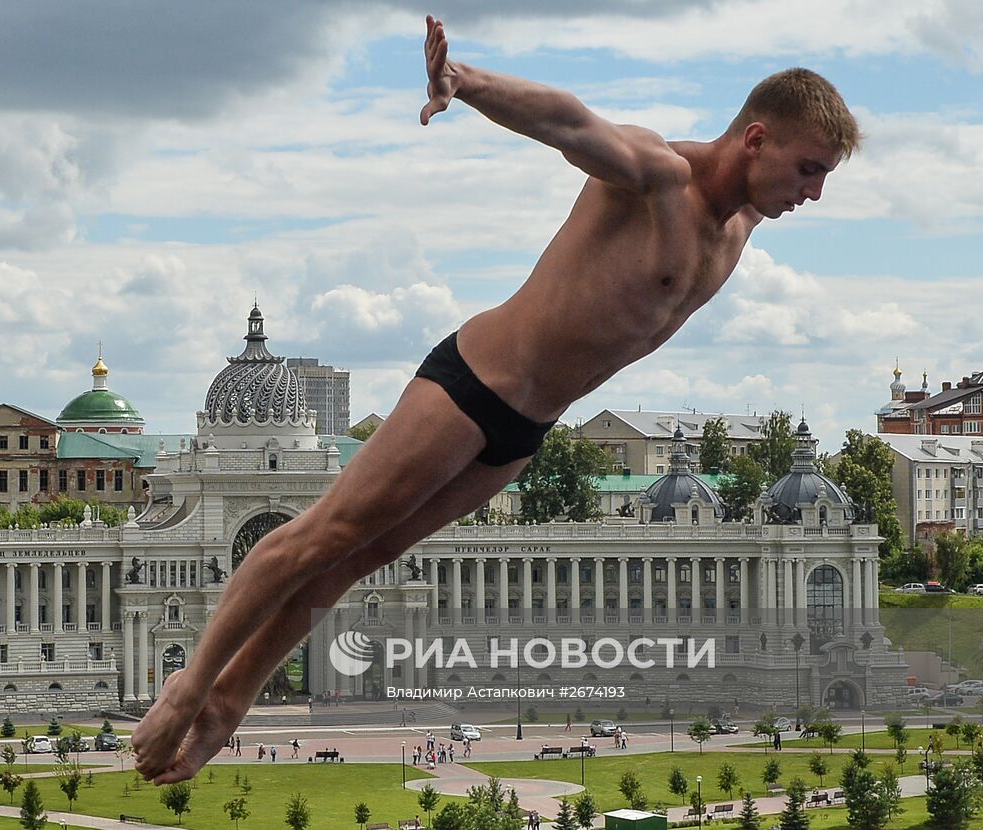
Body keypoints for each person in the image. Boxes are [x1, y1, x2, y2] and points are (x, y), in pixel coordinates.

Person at [132, 13, 859, 784]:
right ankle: (190, 689)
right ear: (755, 139)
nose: (813, 193)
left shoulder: (740, 229)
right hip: (475, 385)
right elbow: (568, 121)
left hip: (525, 430)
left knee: (364, 556)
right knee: (322, 535)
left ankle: (229, 703)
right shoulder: (659, 175)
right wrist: (466, 82)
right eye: (808, 169)